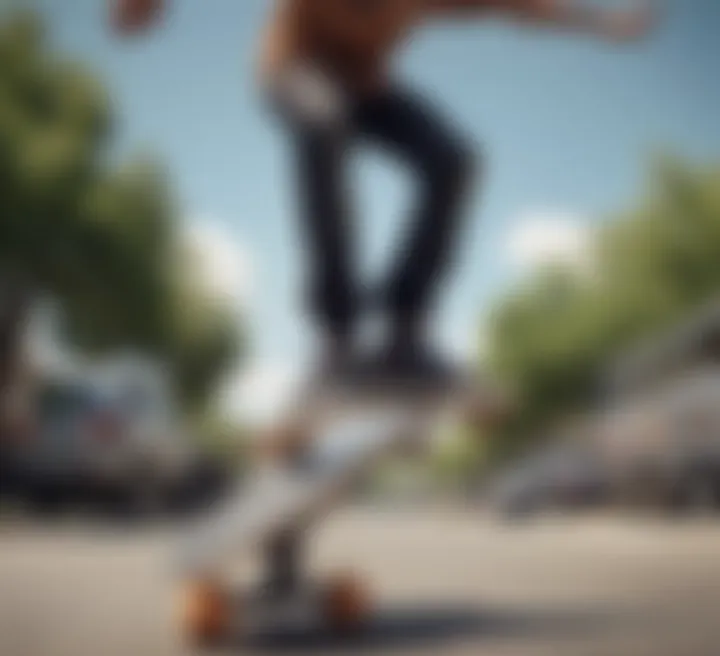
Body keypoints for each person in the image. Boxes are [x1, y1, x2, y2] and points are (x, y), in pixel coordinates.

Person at [116, 0, 656, 389]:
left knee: (454, 160)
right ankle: (337, 334)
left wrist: (603, 22)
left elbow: (525, 8)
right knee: (324, 124)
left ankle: (405, 331)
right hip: (290, 71)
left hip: (368, 91)